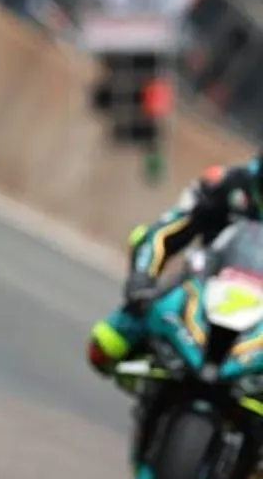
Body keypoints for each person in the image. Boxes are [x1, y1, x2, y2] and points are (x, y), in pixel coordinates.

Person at [86, 157, 263, 374]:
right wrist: (142, 277)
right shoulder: (226, 182)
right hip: (200, 290)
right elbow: (162, 232)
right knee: (106, 344)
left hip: (258, 317)